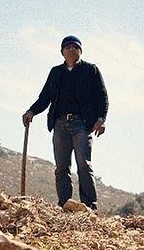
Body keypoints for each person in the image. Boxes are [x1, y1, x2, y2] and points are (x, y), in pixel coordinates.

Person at [22, 34, 109, 209]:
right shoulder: (56, 72)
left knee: (84, 164)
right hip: (60, 124)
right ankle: (65, 205)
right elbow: (45, 97)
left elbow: (103, 97)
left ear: (80, 51)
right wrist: (31, 111)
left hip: (82, 125)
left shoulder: (90, 70)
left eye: (75, 46)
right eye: (67, 46)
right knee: (61, 167)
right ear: (62, 51)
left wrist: (101, 119)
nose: (71, 49)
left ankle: (89, 206)